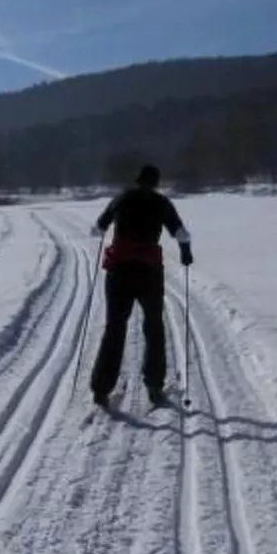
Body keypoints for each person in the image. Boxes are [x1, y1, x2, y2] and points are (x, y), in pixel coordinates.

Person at [90, 164, 193, 409]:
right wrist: (186, 253)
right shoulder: (161, 203)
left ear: (136, 180)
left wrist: (106, 228)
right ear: (156, 182)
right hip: (149, 272)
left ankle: (101, 389)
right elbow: (180, 232)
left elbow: (98, 228)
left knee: (114, 328)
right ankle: (155, 385)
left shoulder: (121, 198)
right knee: (154, 326)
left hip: (119, 271)